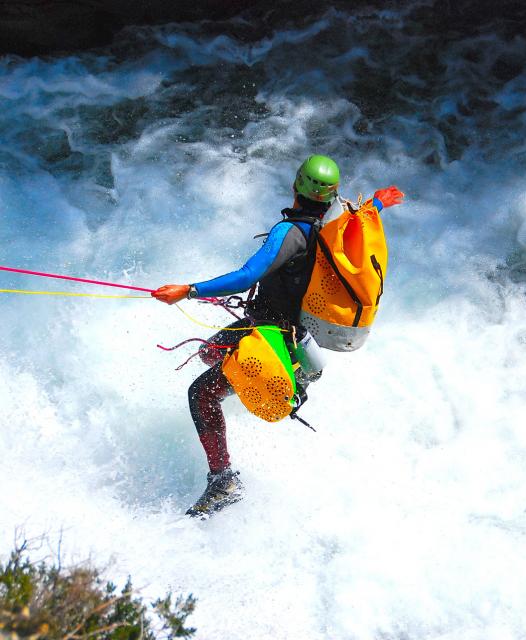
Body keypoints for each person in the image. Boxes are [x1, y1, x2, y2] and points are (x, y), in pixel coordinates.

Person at [152, 155, 404, 517]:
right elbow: (361, 217)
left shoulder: (290, 233)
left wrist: (188, 290)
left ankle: (223, 479)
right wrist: (378, 202)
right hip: (292, 333)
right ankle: (235, 397)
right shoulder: (332, 231)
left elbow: (247, 275)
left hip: (264, 333)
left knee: (200, 394)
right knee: (210, 354)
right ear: (332, 197)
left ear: (296, 186)